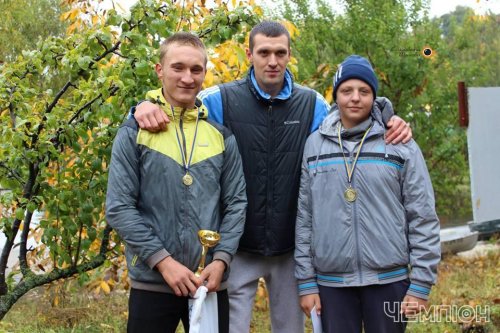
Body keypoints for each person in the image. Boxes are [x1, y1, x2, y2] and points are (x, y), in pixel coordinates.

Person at [133, 22, 412, 333]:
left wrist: (387, 115)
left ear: (289, 55)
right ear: (250, 54)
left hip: (290, 248)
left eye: (280, 53)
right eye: (264, 52)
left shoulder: (312, 105)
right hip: (236, 248)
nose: (272, 61)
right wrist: (142, 106)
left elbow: (350, 117)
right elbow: (179, 107)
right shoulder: (220, 100)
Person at [105, 32, 247, 333]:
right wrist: (164, 262)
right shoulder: (134, 133)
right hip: (153, 282)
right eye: (177, 67)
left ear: (205, 73)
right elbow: (119, 207)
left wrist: (221, 260)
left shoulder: (221, 136)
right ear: (160, 70)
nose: (187, 77)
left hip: (209, 284)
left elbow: (236, 204)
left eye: (196, 69)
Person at [295, 55, 440, 333]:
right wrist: (306, 281)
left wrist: (421, 283)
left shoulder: (399, 143)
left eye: (364, 91)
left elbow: (422, 214)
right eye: (346, 90)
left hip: (389, 280)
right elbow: (305, 219)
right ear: (335, 95)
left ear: (374, 96)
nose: (355, 98)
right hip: (331, 284)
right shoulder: (315, 145)